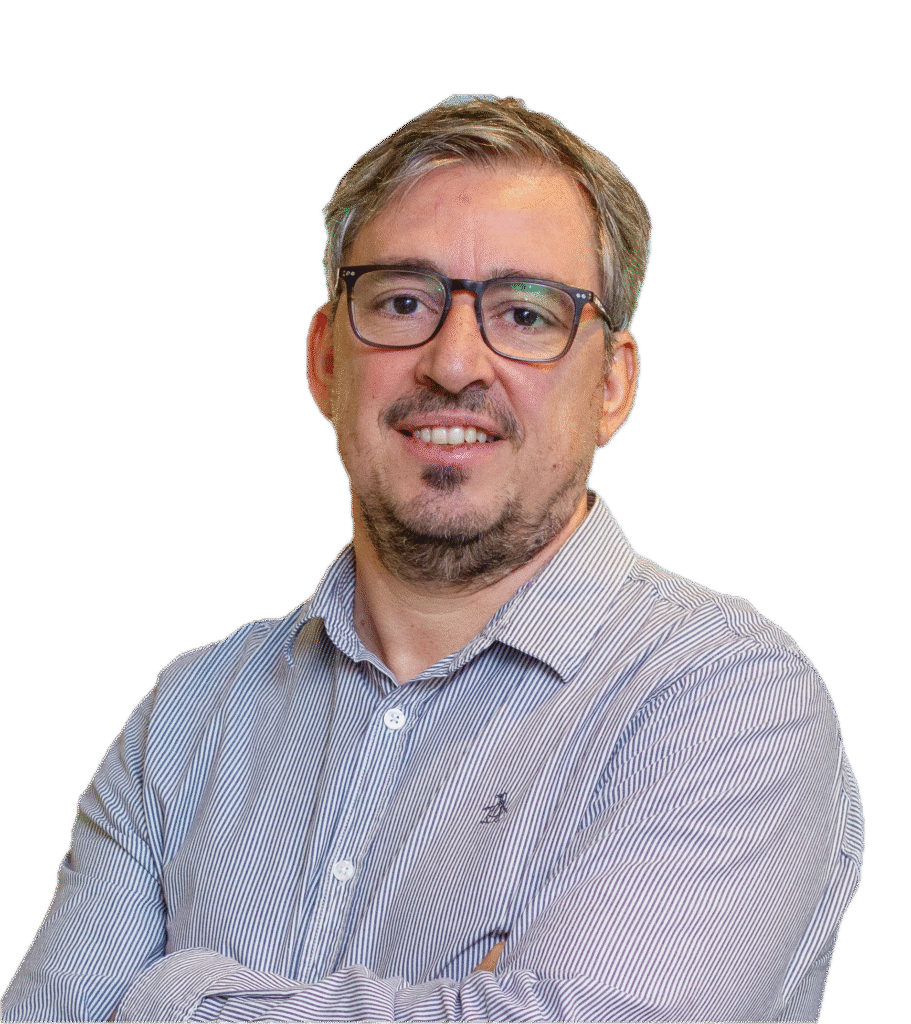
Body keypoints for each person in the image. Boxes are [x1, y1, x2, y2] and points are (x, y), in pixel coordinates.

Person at [1, 94, 862, 1024]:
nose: (453, 363)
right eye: (402, 302)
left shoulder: (725, 702)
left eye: (525, 314)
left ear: (611, 385)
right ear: (326, 360)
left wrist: (168, 996)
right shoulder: (185, 719)